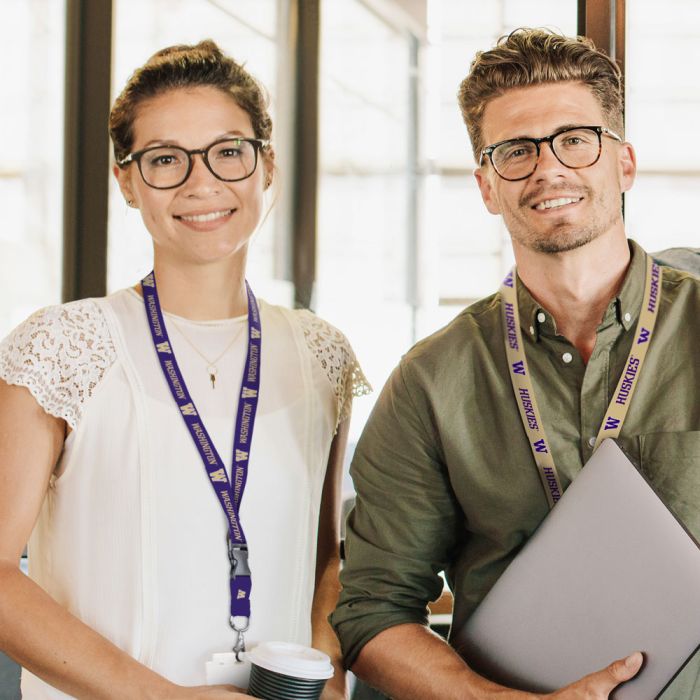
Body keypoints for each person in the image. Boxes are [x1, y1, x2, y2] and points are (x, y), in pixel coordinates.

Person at [331, 28, 700, 700]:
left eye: (576, 139)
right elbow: (372, 613)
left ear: (624, 163)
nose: (548, 169)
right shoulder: (429, 382)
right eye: (516, 151)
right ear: (485, 185)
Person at [0, 40, 369, 699]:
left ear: (265, 166)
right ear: (127, 180)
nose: (202, 184)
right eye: (166, 159)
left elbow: (324, 560)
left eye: (229, 152)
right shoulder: (63, 344)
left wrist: (325, 670)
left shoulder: (322, 352)